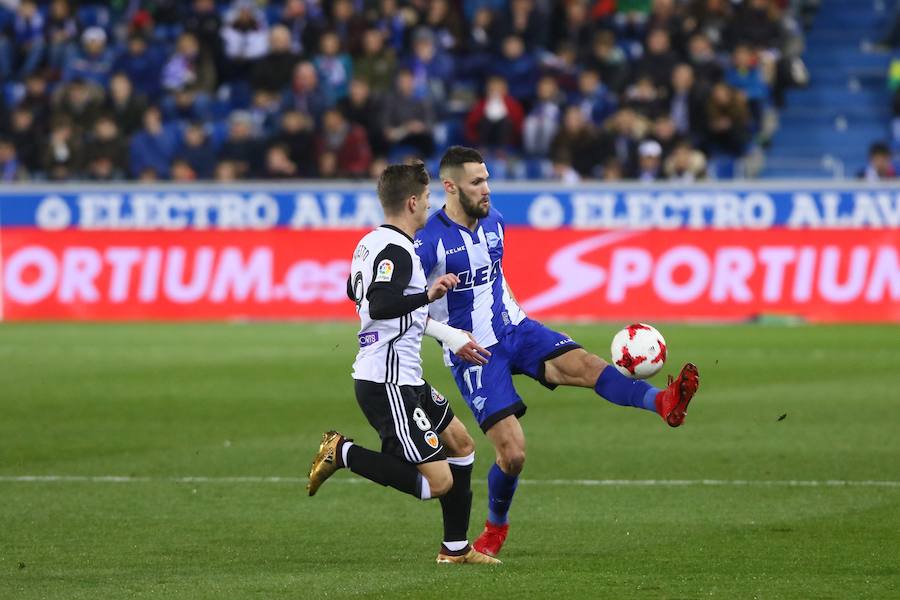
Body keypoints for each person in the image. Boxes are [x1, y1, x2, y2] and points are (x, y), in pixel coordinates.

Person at [414, 146, 701, 558]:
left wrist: (516, 318)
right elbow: (406, 309)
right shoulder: (426, 243)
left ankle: (663, 402)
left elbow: (493, 279)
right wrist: (450, 336)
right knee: (512, 455)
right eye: (477, 182)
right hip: (474, 352)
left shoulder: (494, 222)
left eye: (487, 179)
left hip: (517, 329)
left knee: (585, 364)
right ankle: (495, 529)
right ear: (450, 187)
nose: (487, 189)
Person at [306, 161, 500, 566]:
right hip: (387, 381)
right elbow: (380, 303)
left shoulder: (371, 243)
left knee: (462, 444)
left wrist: (448, 335)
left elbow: (356, 291)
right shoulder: (397, 249)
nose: (430, 207)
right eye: (428, 199)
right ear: (412, 202)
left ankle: (455, 549)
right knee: (438, 483)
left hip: (405, 376)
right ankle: (342, 452)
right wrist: (426, 295)